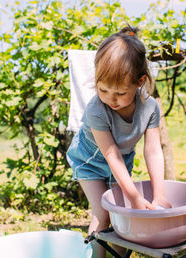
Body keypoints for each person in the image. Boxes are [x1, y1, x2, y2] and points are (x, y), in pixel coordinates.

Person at [66, 25, 171, 257]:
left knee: (124, 215)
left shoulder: (150, 108)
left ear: (140, 81)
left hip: (121, 162)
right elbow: (110, 153)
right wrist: (134, 196)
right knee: (103, 213)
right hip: (90, 162)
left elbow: (153, 150)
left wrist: (159, 194)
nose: (111, 99)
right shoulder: (96, 109)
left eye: (121, 93)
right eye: (103, 90)